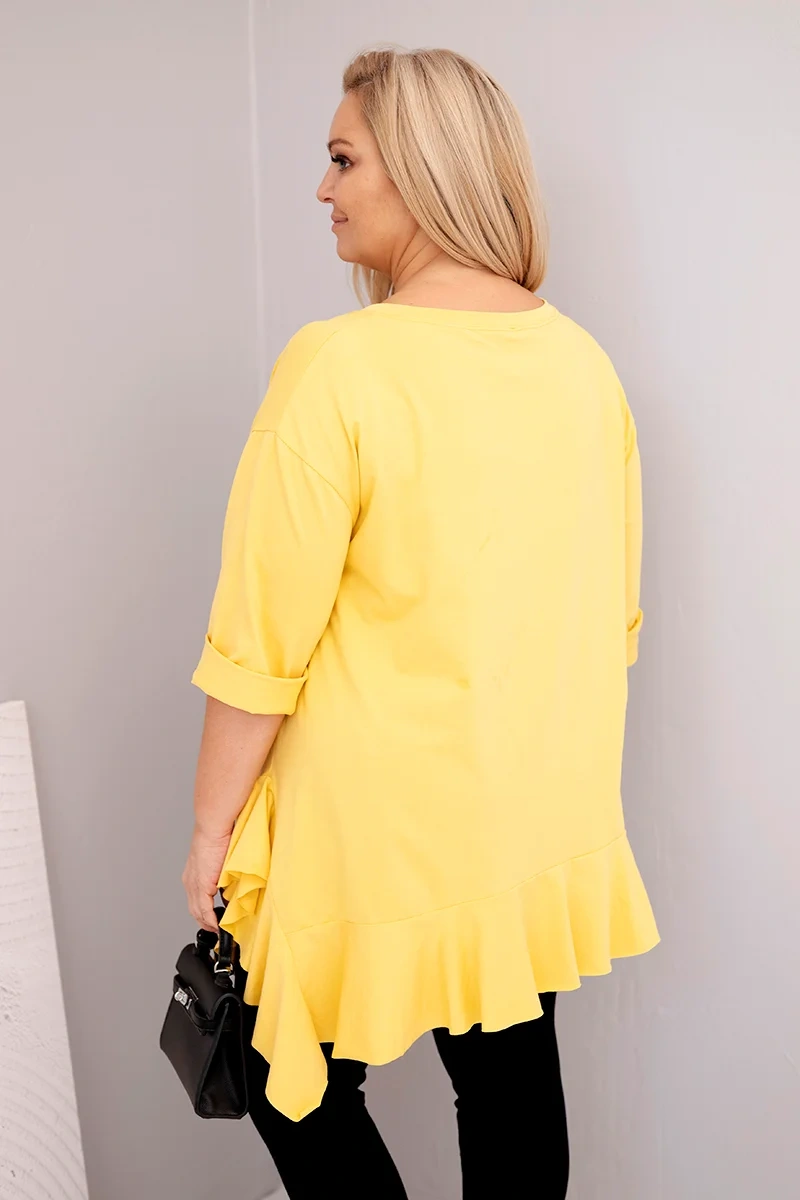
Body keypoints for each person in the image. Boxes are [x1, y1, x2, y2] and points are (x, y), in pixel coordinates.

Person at [181, 45, 659, 1200]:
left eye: (343, 159)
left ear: (422, 168)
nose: (322, 188)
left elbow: (260, 643)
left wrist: (208, 833)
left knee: (280, 1066)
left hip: (374, 821)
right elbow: (609, 620)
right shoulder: (579, 363)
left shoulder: (340, 365)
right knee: (505, 1073)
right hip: (526, 811)